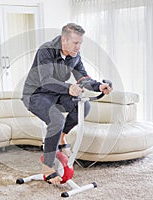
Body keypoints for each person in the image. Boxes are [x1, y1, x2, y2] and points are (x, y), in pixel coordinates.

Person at [22, 23, 112, 185]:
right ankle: (47, 166)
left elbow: (83, 77)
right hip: (35, 94)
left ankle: (62, 137)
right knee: (56, 119)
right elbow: (46, 80)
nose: (78, 47)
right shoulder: (46, 51)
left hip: (56, 93)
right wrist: (69, 87)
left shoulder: (74, 55)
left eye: (80, 43)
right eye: (75, 43)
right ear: (64, 40)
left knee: (83, 107)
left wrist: (99, 86)